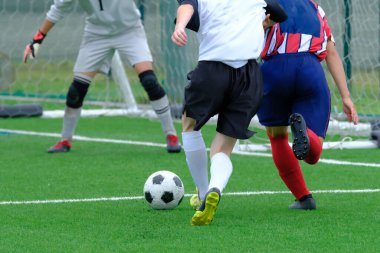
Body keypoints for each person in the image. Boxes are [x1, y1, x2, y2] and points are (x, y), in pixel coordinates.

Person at [172, 0, 287, 225]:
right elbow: (280, 13)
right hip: (250, 74)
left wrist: (179, 27)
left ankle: (204, 193)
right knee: (224, 145)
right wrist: (263, 23)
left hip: (212, 69)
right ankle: (216, 186)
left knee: (189, 124)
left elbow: (187, 6)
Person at [23, 0, 181, 153]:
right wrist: (37, 40)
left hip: (130, 30)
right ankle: (65, 140)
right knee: (76, 91)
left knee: (149, 81)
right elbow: (57, 9)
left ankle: (171, 135)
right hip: (96, 34)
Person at [258, 0, 359, 210]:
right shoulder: (316, 9)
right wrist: (346, 97)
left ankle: (303, 197)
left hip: (274, 71)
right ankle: (306, 135)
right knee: (314, 152)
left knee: (277, 136)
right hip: (310, 70)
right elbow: (331, 53)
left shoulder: (264, 5)